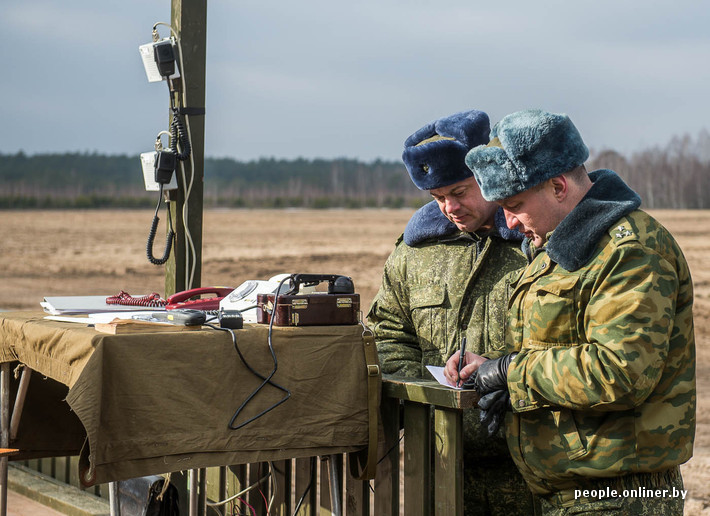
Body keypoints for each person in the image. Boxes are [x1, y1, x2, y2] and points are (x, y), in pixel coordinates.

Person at [445, 108, 696, 515]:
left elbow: (619, 371)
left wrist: (513, 373)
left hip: (620, 495)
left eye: (515, 204)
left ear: (559, 186)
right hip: (573, 493)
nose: (508, 221)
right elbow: (553, 346)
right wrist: (494, 371)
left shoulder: (628, 252)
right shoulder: (557, 247)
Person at [368, 109, 536, 515]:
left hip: (532, 466)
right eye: (437, 197)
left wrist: (505, 375)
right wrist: (427, 402)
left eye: (460, 192)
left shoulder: (535, 241)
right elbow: (388, 332)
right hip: (439, 467)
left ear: (488, 175)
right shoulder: (415, 253)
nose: (449, 208)